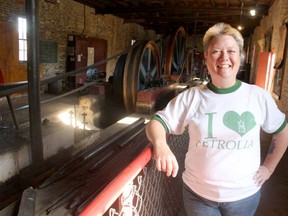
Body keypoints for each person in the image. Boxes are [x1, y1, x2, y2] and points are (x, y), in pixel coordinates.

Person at [145, 22, 288, 216]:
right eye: (216, 52)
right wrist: (161, 146)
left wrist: (269, 168)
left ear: (240, 56)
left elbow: (282, 132)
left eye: (231, 51)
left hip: (244, 196)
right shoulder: (192, 97)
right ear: (206, 57)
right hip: (198, 196)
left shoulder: (258, 96)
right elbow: (157, 122)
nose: (224, 58)